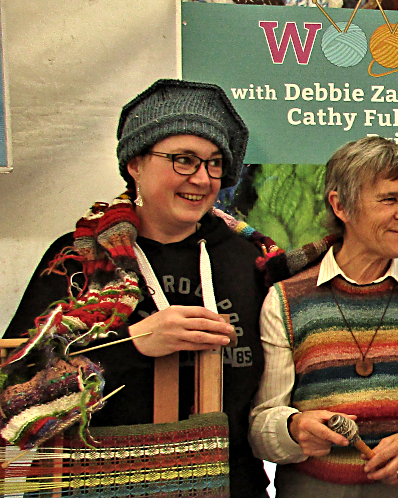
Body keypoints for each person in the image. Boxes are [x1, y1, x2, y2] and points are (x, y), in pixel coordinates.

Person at [2, 79, 271, 498]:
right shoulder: (79, 260)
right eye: (183, 160)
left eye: (214, 163)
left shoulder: (249, 257)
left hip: (230, 486)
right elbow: (13, 396)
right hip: (101, 484)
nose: (201, 178)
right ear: (135, 164)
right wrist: (132, 346)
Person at [249, 136, 398, 497]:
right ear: (341, 206)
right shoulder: (286, 301)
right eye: (389, 199)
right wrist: (294, 428)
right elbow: (262, 424)